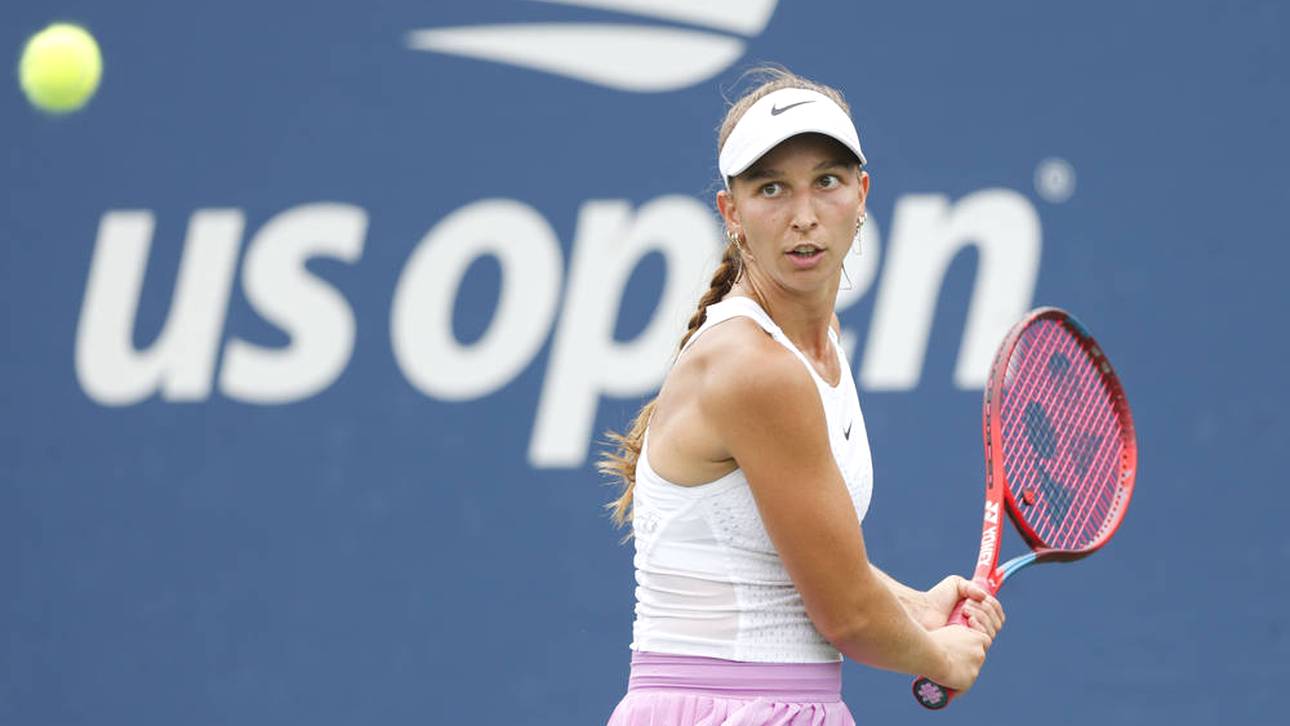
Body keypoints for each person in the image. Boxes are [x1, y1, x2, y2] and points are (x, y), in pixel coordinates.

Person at [600, 67, 1005, 725]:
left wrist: (917, 609)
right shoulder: (757, 368)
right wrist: (940, 657)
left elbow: (802, 568)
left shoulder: (809, 345)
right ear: (732, 214)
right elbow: (843, 614)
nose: (805, 216)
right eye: (772, 190)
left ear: (862, 193)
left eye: (827, 181)